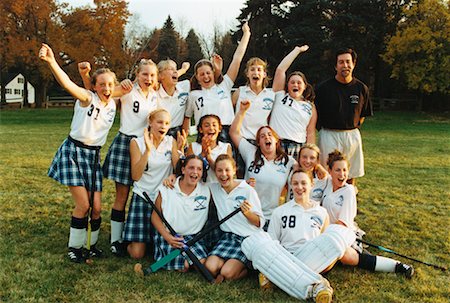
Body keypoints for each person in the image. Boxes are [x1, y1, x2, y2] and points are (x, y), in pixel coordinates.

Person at [39, 43, 119, 263]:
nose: (106, 88)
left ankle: (90, 246)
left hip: (93, 156)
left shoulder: (113, 103)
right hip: (74, 152)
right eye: (101, 84)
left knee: (97, 209)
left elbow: (127, 90)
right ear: (94, 86)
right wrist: (51, 61)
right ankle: (75, 247)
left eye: (110, 84)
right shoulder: (86, 98)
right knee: (83, 205)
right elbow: (66, 83)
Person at [81, 59, 160, 256]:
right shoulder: (126, 89)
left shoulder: (155, 97)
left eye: (152, 75)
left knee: (147, 194)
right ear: (137, 75)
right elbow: (99, 97)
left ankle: (144, 235)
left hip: (146, 145)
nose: (148, 78)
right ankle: (117, 241)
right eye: (144, 74)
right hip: (126, 143)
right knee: (122, 197)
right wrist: (86, 77)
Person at [321, 150, 414, 278]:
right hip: (325, 233)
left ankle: (397, 266)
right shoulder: (326, 184)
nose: (342, 174)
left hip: (341, 232)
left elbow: (342, 223)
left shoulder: (348, 191)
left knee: (349, 257)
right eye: (337, 170)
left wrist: (325, 235)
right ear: (330, 171)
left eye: (344, 170)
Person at [123, 109, 184, 259]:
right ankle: (125, 240)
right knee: (137, 254)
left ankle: (148, 239)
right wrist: (148, 151)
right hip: (143, 197)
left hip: (162, 199)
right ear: (150, 123)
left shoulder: (171, 141)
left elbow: (178, 171)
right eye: (159, 122)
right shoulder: (136, 142)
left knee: (158, 249)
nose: (163, 126)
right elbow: (136, 176)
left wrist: (180, 153)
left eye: (167, 123)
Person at [230, 100, 296, 228]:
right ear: (258, 143)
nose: (267, 137)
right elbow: (234, 133)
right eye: (262, 136)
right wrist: (242, 111)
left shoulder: (288, 161)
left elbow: (306, 167)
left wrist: (319, 167)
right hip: (246, 214)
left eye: (270, 135)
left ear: (276, 140)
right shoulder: (251, 151)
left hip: (270, 218)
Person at [315, 48, 373, 186]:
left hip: (351, 135)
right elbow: (315, 114)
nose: (345, 65)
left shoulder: (361, 88)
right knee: (327, 173)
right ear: (336, 66)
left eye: (348, 62)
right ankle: (327, 204)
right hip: (329, 134)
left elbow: (362, 115)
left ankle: (349, 203)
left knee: (350, 173)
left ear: (353, 64)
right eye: (341, 62)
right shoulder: (323, 88)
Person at [185, 22, 251, 143]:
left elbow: (237, 59)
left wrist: (246, 34)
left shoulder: (224, 85)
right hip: (205, 135)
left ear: (213, 72)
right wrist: (183, 139)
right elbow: (187, 118)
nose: (206, 76)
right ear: (197, 77)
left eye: (208, 72)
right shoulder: (193, 95)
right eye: (202, 74)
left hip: (227, 132)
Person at [204, 154, 265, 282]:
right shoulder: (214, 188)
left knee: (227, 273)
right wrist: (172, 178)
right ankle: (226, 267)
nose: (223, 174)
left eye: (227, 170)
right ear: (215, 172)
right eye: (219, 170)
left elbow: (260, 222)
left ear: (234, 170)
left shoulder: (247, 190)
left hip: (246, 238)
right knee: (209, 267)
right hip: (228, 237)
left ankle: (247, 269)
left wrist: (248, 214)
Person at [152, 155, 210, 271]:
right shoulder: (166, 189)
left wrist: (245, 184)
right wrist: (167, 237)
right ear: (183, 170)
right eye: (191, 168)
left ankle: (186, 261)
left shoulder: (206, 190)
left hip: (193, 237)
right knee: (184, 266)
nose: (195, 172)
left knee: (202, 264)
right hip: (171, 236)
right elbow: (155, 217)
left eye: (199, 169)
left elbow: (228, 185)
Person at [269, 45, 317, 159]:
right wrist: (297, 51)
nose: (295, 85)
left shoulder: (310, 107)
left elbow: (310, 133)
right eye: (292, 82)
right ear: (287, 85)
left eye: (299, 82)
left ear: (305, 86)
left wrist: (311, 153)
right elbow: (281, 69)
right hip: (277, 144)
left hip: (297, 147)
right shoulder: (280, 96)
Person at [269, 169, 329, 254]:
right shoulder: (279, 212)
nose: (299, 187)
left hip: (312, 257)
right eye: (295, 183)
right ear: (291, 186)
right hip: (286, 257)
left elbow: (324, 242)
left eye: (304, 183)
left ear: (312, 185)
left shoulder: (322, 212)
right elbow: (272, 241)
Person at [231, 57, 274, 144]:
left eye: (259, 69)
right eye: (252, 69)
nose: (255, 72)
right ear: (247, 74)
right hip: (241, 140)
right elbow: (229, 113)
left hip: (261, 142)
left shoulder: (271, 95)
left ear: (264, 74)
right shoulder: (239, 92)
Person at [187, 114, 232, 183]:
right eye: (207, 125)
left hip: (218, 187)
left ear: (219, 128)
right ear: (201, 129)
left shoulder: (226, 147)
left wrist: (209, 158)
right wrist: (202, 154)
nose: (211, 128)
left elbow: (225, 171)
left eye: (214, 125)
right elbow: (190, 169)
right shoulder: (193, 146)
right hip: (199, 187)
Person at [156, 59, 191, 139]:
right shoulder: (154, 93)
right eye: (171, 69)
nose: (175, 71)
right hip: (159, 133)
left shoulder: (185, 86)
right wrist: (183, 70)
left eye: (176, 69)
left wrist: (184, 69)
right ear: (160, 75)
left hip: (178, 133)